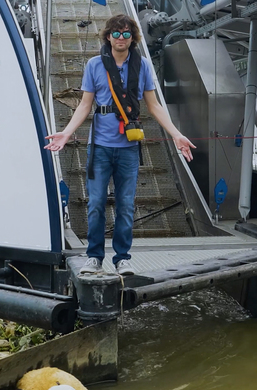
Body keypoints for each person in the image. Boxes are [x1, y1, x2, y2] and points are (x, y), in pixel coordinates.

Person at [45, 14, 195, 276]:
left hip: (128, 147)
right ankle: (94, 257)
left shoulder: (143, 65)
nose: (121, 38)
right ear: (108, 36)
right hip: (100, 146)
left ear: (133, 37)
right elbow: (85, 104)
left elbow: (153, 105)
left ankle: (122, 258)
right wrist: (67, 133)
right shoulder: (94, 65)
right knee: (96, 203)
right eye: (116, 33)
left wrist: (175, 134)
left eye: (126, 34)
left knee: (126, 205)